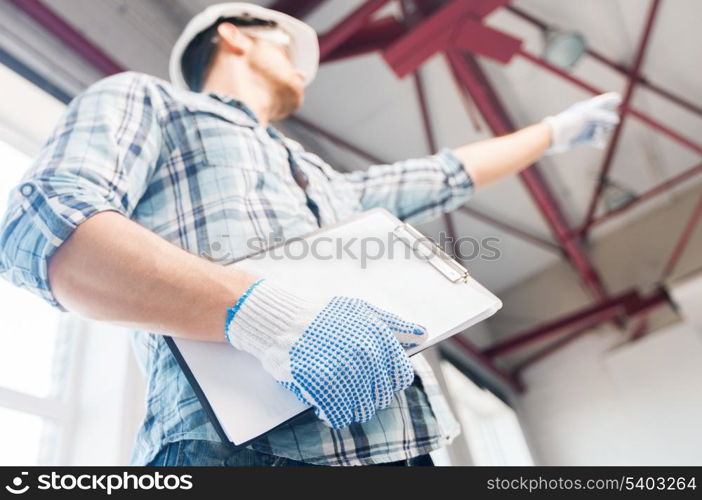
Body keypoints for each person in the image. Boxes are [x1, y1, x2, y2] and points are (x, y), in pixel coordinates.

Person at [0, 2, 621, 467]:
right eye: (285, 44)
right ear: (233, 35)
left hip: (403, 449)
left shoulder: (325, 180)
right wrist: (270, 318)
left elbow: (442, 175)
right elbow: (44, 229)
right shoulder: (153, 102)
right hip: (234, 454)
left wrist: (553, 132)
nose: (302, 67)